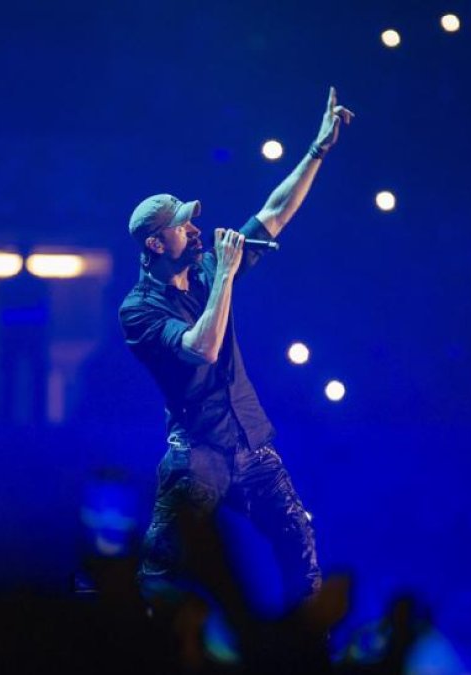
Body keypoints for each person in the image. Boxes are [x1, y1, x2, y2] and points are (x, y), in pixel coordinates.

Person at [119, 87, 354, 606]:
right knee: (163, 574)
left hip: (250, 444)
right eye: (183, 226)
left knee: (299, 544)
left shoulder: (204, 269)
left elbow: (274, 211)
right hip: (197, 457)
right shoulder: (139, 309)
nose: (196, 230)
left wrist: (317, 150)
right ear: (157, 243)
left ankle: (303, 652)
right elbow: (202, 347)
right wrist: (225, 274)